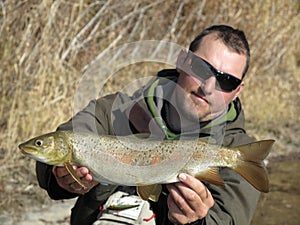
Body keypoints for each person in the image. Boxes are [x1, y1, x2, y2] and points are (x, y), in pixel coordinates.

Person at [36, 25, 260, 225]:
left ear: (237, 90)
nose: (209, 87)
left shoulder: (239, 153)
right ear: (183, 61)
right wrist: (61, 176)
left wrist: (195, 223)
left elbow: (229, 218)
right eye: (202, 69)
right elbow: (66, 137)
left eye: (226, 81)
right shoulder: (117, 110)